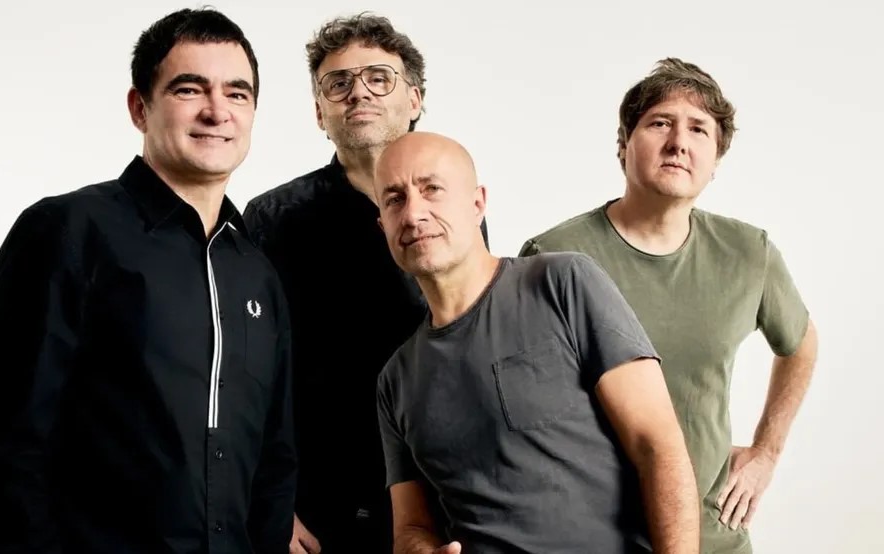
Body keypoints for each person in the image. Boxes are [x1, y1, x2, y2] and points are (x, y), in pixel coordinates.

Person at [0, 8, 296, 553]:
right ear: (140, 108)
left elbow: (274, 461)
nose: (217, 111)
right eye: (190, 89)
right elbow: (5, 457)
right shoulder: (67, 231)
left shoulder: (256, 272)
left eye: (237, 93)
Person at [519, 58, 819, 553]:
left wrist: (766, 452)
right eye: (660, 123)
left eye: (698, 129)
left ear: (715, 160)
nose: (679, 142)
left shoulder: (749, 253)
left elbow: (801, 344)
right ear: (623, 144)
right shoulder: (552, 258)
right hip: (589, 538)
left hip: (712, 536)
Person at [373, 131, 699, 554]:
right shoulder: (395, 381)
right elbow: (411, 527)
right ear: (382, 225)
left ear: (477, 204)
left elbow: (658, 447)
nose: (414, 213)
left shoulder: (562, 284)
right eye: (394, 199)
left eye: (431, 189)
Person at [242, 13, 487, 554]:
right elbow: (244, 375)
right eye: (339, 83)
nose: (359, 93)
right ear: (319, 113)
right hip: (320, 504)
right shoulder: (270, 220)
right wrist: (271, 502)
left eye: (379, 78)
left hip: (442, 495)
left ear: (415, 99)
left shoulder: (457, 208)